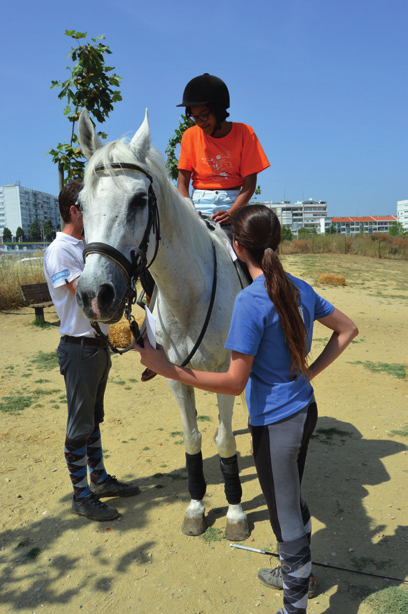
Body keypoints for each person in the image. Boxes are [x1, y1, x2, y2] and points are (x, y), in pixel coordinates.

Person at [134, 205, 358, 614]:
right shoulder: (300, 287)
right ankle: (299, 574)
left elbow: (234, 382)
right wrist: (308, 374)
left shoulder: (250, 302)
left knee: (284, 517)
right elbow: (348, 330)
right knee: (292, 501)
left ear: (236, 247)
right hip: (304, 412)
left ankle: (295, 606)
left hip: (275, 425)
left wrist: (169, 369)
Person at [44, 180, 140, 522]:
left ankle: (98, 480)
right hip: (78, 348)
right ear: (75, 210)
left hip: (96, 348)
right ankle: (81, 495)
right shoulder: (60, 251)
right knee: (79, 426)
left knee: (92, 421)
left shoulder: (85, 246)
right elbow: (89, 298)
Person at [176, 73, 270, 225]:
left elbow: (250, 184)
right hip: (198, 205)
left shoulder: (245, 133)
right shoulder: (189, 135)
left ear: (219, 110)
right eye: (194, 117)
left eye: (204, 115)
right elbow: (182, 184)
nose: (199, 122)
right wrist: (190, 211)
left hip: (234, 203)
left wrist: (232, 213)